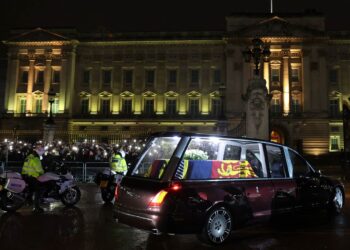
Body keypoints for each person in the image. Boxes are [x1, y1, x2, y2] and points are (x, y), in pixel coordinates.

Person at [21, 148, 44, 212]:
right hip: (32, 177)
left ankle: (29, 201)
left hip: (25, 176)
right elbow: (39, 170)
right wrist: (43, 172)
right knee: (38, 190)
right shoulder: (36, 159)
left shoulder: (28, 158)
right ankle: (37, 207)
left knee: (31, 189)